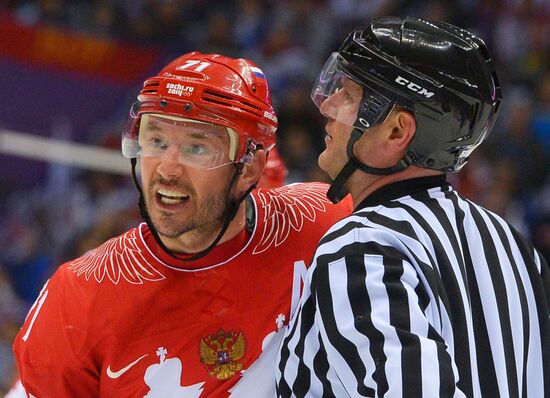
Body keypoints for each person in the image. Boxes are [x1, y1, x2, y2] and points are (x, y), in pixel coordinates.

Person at [12, 52, 352, 397]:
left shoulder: (322, 221)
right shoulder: (78, 295)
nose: (167, 169)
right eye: (156, 141)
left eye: (196, 148)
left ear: (249, 168)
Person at [276, 17, 550, 397]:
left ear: (396, 132)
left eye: (349, 96)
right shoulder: (512, 244)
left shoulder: (363, 244)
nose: (329, 107)